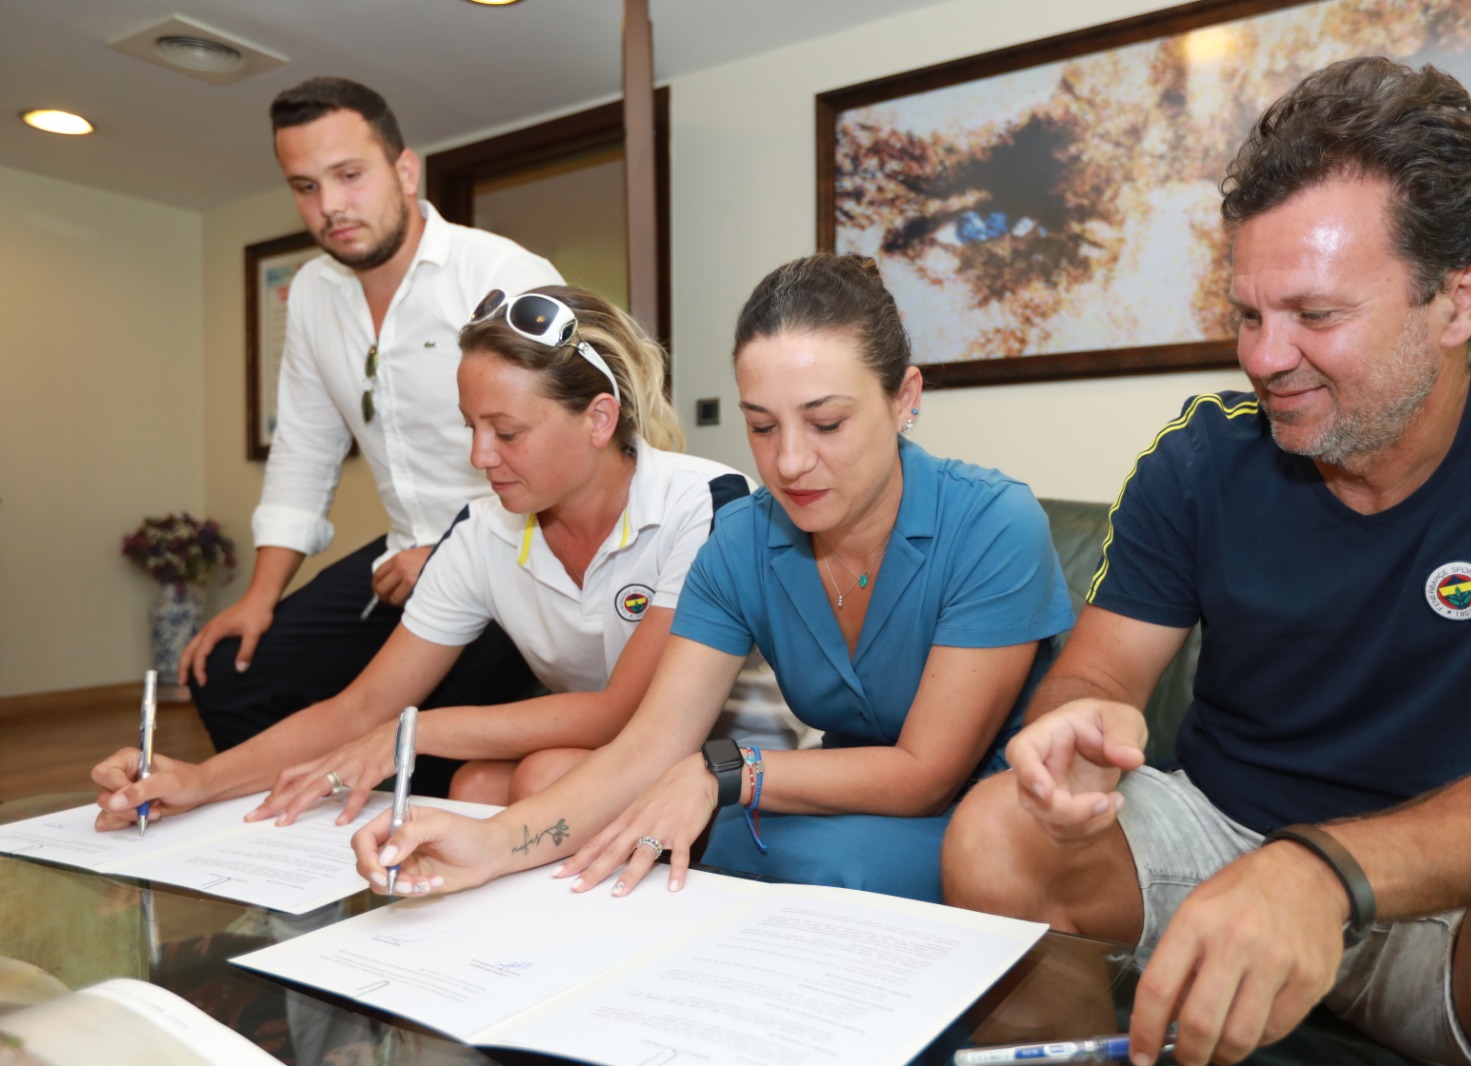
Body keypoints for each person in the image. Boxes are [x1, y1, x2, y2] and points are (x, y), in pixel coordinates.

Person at [943, 56, 1471, 1066]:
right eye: (1249, 314)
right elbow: (1095, 676)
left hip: (1458, 888)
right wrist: (1078, 721)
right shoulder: (1199, 456)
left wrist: (1320, 869)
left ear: (1460, 297)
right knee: (996, 831)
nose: (1261, 357)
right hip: (1222, 841)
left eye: (1315, 315)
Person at [350, 252, 1074, 903]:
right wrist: (489, 844)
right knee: (686, 848)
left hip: (995, 811)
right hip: (835, 797)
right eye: (761, 426)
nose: (789, 462)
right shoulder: (741, 539)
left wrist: (726, 772)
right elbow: (650, 743)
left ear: (905, 397)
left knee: (807, 869)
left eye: (826, 423)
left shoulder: (993, 523)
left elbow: (926, 775)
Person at [94, 285, 802, 830]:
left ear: (598, 418)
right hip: (609, 756)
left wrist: (411, 733)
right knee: (476, 786)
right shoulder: (483, 531)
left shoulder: (704, 503)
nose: (479, 456)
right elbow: (362, 705)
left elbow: (626, 713)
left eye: (507, 432)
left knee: (539, 776)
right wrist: (198, 781)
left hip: (736, 763)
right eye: (471, 428)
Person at [183, 77, 563, 779]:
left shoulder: (499, 273)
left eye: (349, 175)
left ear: (405, 170)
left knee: (416, 733)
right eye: (305, 187)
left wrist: (452, 552)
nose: (329, 205)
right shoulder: (312, 295)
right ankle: (296, 832)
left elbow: (562, 449)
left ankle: (397, 836)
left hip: (514, 559)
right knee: (231, 675)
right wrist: (259, 598)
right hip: (402, 554)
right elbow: (303, 449)